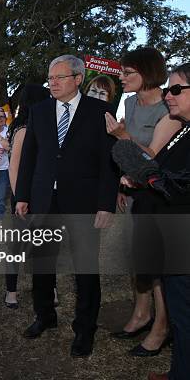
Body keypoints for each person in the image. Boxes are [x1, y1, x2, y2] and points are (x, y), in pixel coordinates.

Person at [15, 55, 119, 357]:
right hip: (44, 200)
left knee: (86, 268)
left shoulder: (100, 112)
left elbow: (108, 163)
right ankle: (45, 315)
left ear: (77, 79)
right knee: (42, 262)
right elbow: (30, 159)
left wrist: (106, 204)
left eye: (60, 77)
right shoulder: (39, 111)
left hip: (83, 203)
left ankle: (85, 329)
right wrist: (23, 196)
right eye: (50, 77)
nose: (53, 82)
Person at [105, 47, 181, 357]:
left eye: (128, 73)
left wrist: (123, 136)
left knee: (157, 264)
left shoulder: (170, 107)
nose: (121, 77)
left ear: (147, 73)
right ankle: (141, 314)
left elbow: (152, 157)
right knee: (137, 260)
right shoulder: (132, 102)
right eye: (122, 72)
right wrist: (122, 184)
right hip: (134, 191)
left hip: (160, 196)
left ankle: (162, 327)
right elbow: (130, 158)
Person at [131, 63, 190, 380]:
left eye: (177, 89)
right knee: (181, 315)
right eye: (168, 89)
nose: (169, 95)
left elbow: (176, 184)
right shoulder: (182, 129)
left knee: (184, 314)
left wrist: (143, 172)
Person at [4, 84, 52, 308]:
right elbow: (14, 168)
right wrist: (19, 199)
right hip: (25, 198)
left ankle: (48, 289)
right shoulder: (24, 128)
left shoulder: (32, 125)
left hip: (37, 195)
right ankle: (11, 293)